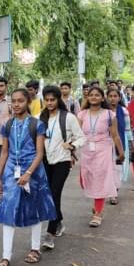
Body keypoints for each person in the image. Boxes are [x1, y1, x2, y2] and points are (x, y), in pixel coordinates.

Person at [0, 89, 56, 266]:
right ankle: (5, 257)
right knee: (8, 209)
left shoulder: (37, 124)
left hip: (34, 172)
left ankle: (35, 249)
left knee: (35, 208)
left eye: (20, 100)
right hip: (12, 171)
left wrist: (28, 173)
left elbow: (40, 153)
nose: (16, 104)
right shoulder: (8, 124)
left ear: (28, 101)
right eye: (13, 101)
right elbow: (4, 151)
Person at [39, 86, 85, 251]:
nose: (50, 103)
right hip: (45, 160)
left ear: (58, 100)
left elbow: (81, 137)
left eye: (53, 99)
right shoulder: (40, 118)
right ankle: (58, 220)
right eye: (47, 100)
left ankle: (50, 233)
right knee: (48, 194)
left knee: (54, 193)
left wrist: (71, 145)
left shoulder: (69, 117)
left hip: (63, 161)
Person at [77, 87, 125, 227]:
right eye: (91, 95)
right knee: (86, 180)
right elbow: (77, 134)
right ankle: (97, 204)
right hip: (86, 150)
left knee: (100, 179)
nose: (94, 97)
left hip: (104, 149)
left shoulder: (109, 114)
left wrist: (121, 153)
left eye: (97, 95)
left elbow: (115, 135)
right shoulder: (82, 114)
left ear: (102, 98)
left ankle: (97, 213)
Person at [107, 88, 132, 205]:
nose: (113, 98)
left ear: (119, 97)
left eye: (115, 96)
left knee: (118, 169)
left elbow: (127, 129)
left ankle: (114, 193)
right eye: (110, 96)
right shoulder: (103, 111)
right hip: (105, 144)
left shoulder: (124, 111)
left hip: (120, 143)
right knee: (106, 169)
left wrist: (132, 144)